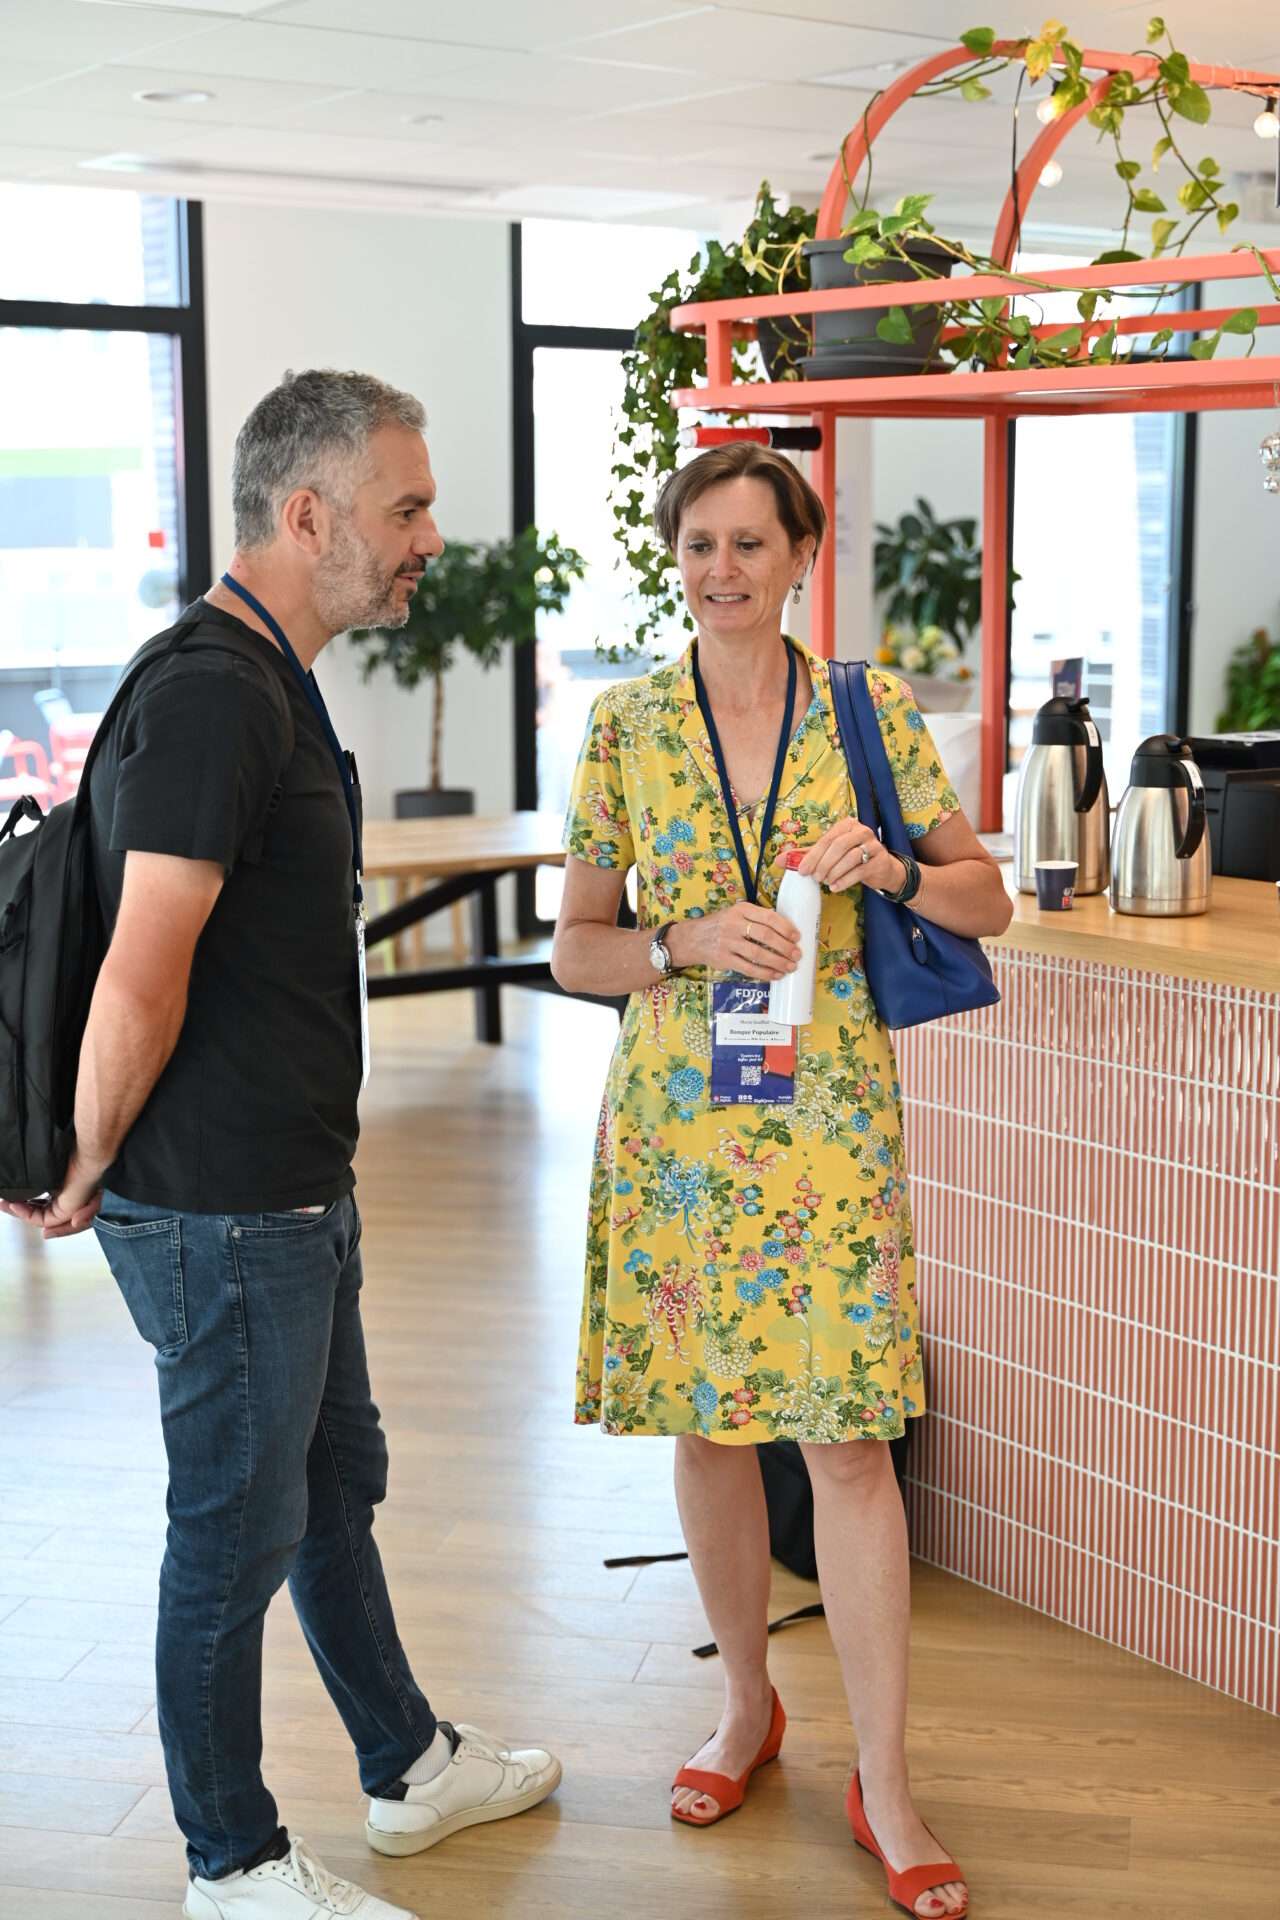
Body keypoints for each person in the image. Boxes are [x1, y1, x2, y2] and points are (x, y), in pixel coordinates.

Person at [0, 370, 560, 1920]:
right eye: (406, 507)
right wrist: (94, 1159)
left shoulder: (269, 674)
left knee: (328, 1486)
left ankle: (406, 1763)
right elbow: (142, 960)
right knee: (234, 1531)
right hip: (221, 1207)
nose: (429, 538)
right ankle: (227, 1858)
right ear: (306, 514)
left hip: (294, 1187)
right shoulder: (210, 695)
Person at [551, 442, 1011, 1920]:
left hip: (830, 1132)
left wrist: (885, 872)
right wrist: (683, 943)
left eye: (752, 543)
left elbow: (984, 895)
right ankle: (748, 1708)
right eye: (700, 544)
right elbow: (577, 951)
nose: (723, 569)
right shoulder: (625, 727)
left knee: (854, 1445)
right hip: (683, 1131)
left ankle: (885, 1779)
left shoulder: (868, 714)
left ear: (802, 555)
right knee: (710, 1431)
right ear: (673, 554)